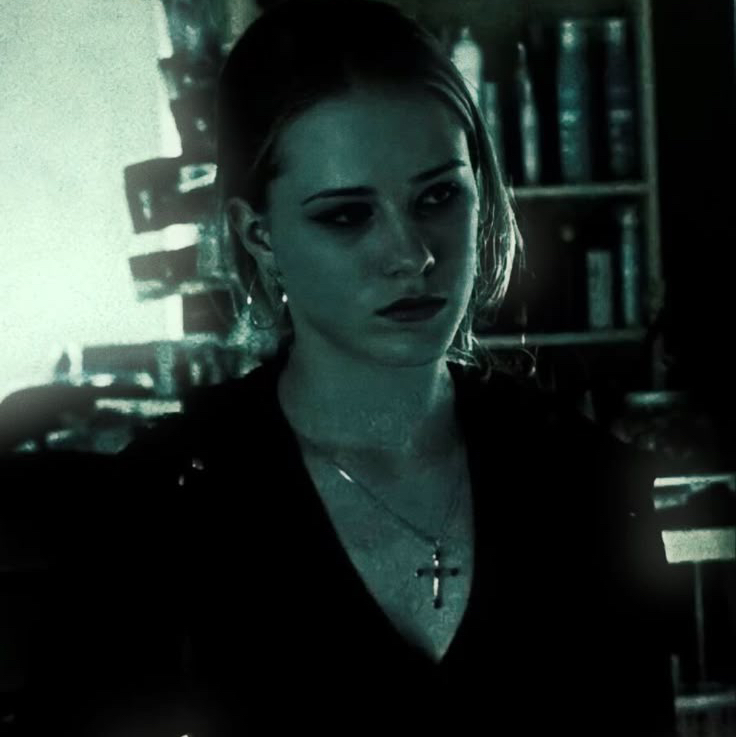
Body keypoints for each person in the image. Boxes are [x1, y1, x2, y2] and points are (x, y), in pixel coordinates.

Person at [17, 1, 677, 734]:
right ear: (259, 235)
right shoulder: (162, 510)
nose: (412, 254)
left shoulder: (583, 479)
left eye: (438, 196)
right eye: (346, 215)